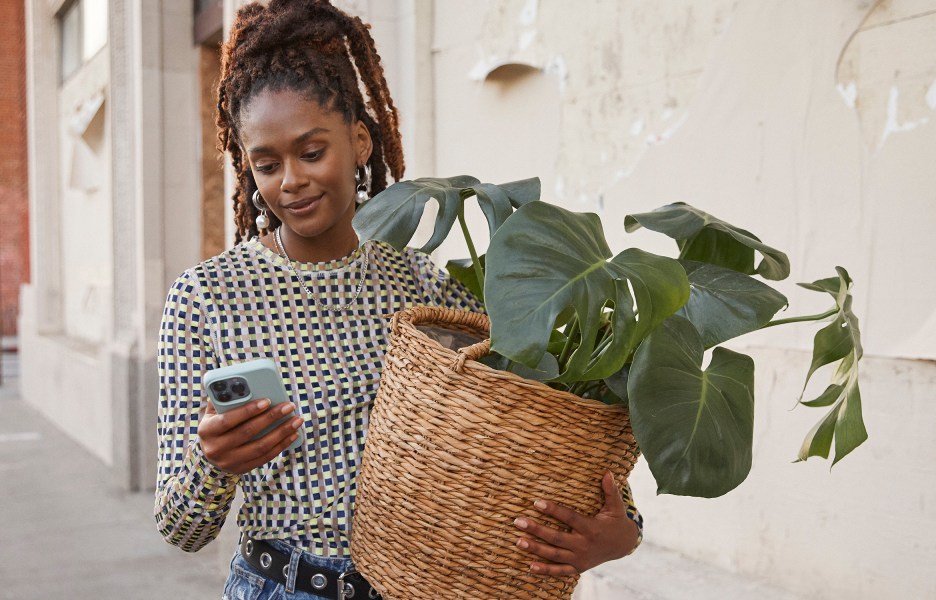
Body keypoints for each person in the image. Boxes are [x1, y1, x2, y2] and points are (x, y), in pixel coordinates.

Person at [155, 2, 643, 598]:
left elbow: (526, 424)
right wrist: (214, 463)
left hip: (421, 585)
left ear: (360, 141)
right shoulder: (205, 298)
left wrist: (621, 528)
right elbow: (180, 528)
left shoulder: (423, 286)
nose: (291, 180)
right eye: (267, 164)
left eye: (312, 152)